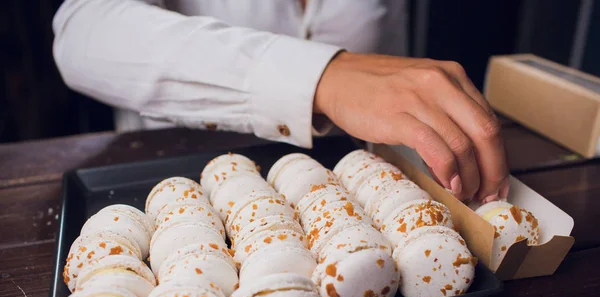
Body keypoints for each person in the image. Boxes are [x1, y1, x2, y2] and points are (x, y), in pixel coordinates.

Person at [52, 0, 508, 203]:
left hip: (356, 178)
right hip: (170, 175)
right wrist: (324, 77)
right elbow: (81, 32)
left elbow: (386, 61)